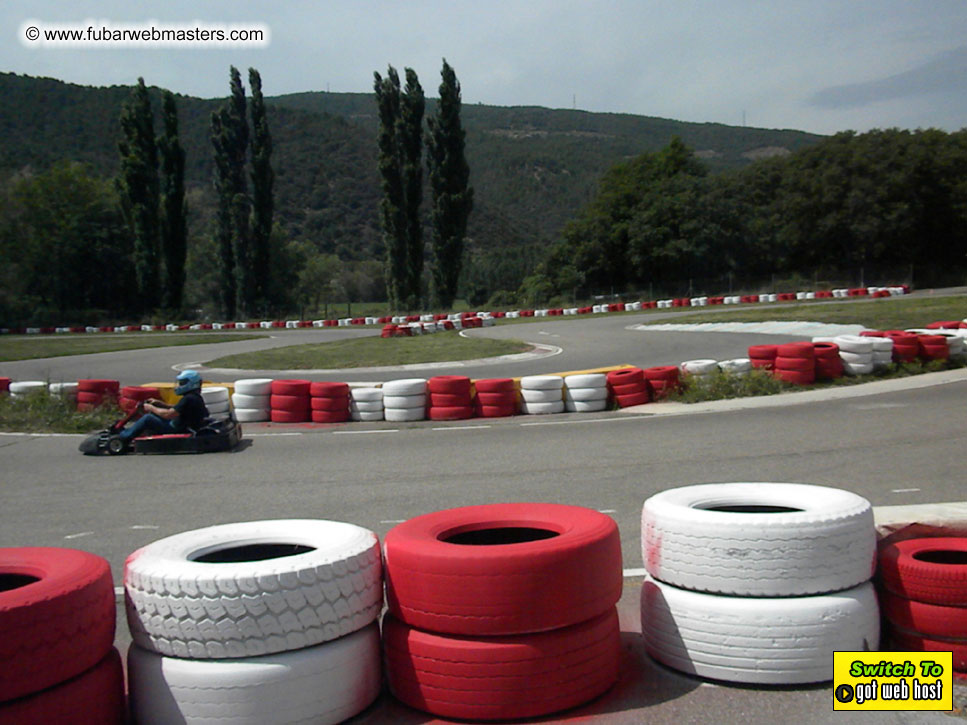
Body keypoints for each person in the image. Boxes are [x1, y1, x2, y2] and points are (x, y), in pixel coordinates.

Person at [115, 370, 210, 448]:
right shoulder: (194, 397)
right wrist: (161, 404)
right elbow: (178, 409)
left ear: (191, 384)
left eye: (182, 383)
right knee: (153, 415)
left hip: (177, 428)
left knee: (148, 418)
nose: (179, 385)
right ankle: (132, 433)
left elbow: (168, 415)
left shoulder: (188, 398)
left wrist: (151, 408)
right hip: (183, 425)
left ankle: (123, 437)